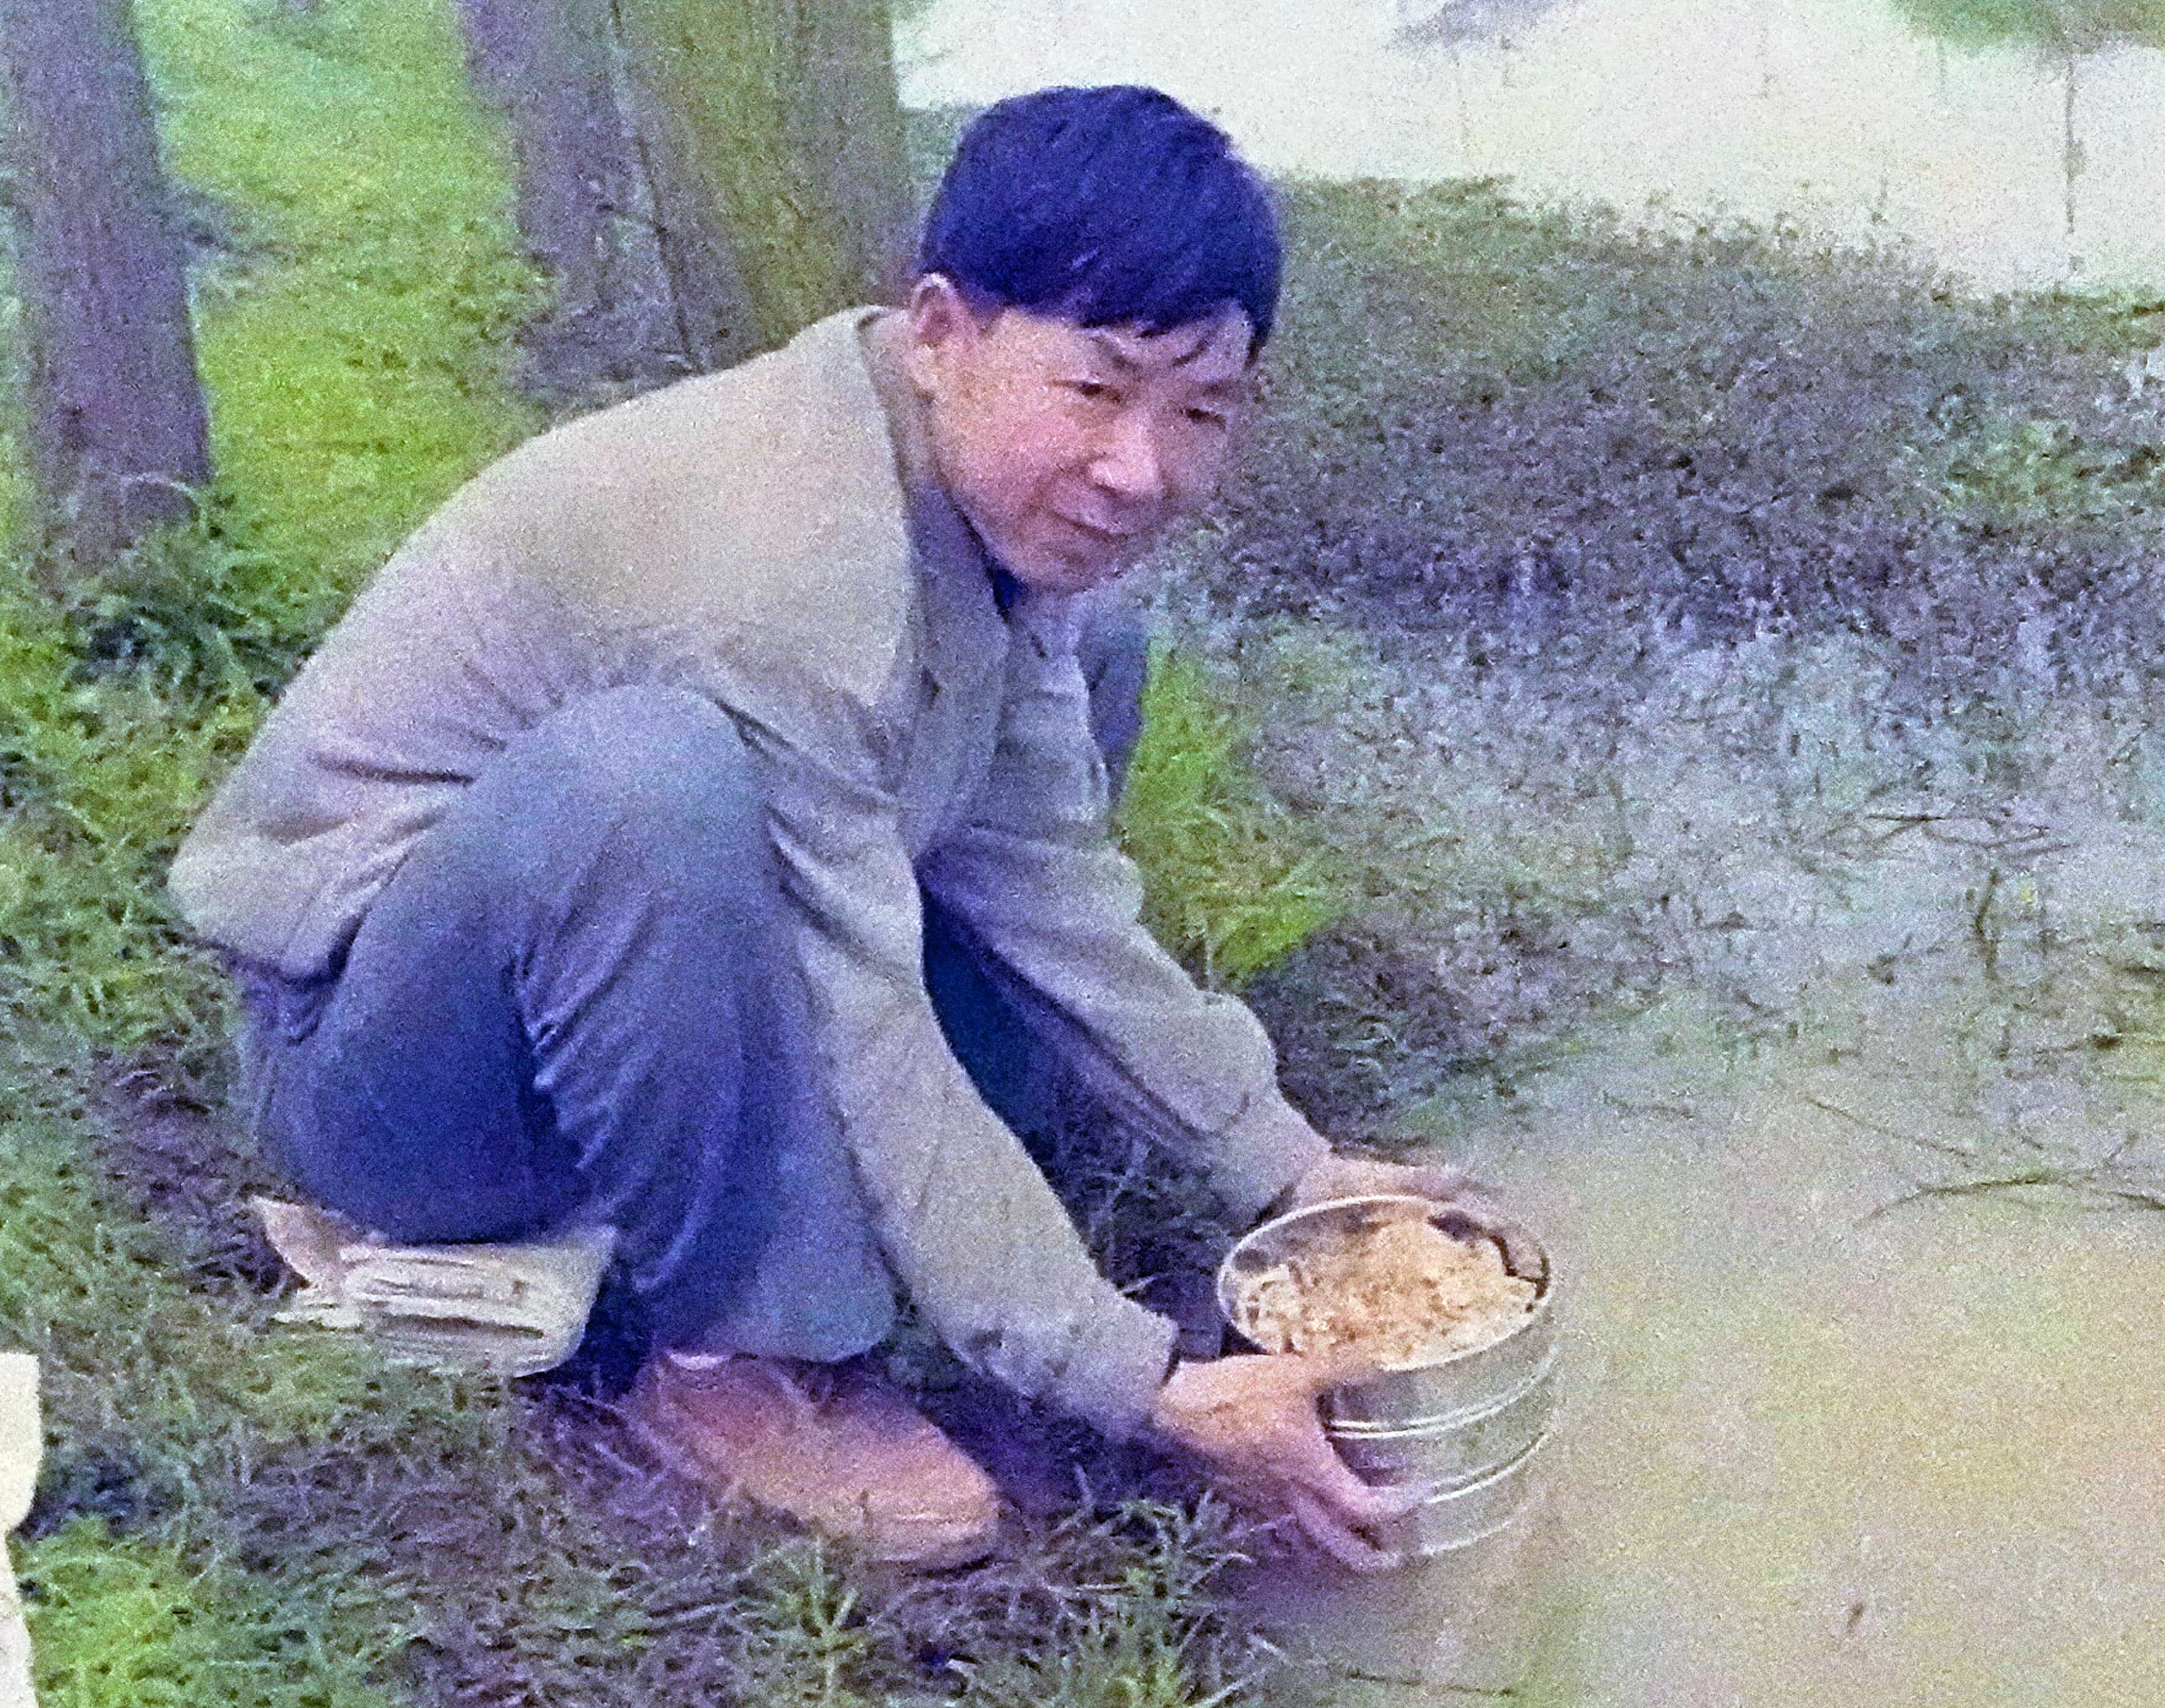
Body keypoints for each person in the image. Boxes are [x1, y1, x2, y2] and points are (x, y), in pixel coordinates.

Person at [169, 86, 1439, 1572]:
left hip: (614, 986)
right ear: (943, 331)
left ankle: (871, 1211)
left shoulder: (960, 492)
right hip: (394, 1077)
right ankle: (740, 1364)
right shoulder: (784, 565)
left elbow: (1047, 886)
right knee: (649, 778)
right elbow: (862, 1021)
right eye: (1093, 393)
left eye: (1200, 411)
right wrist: (1149, 1383)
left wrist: (1292, 1173)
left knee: (1096, 649)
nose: (1139, 470)